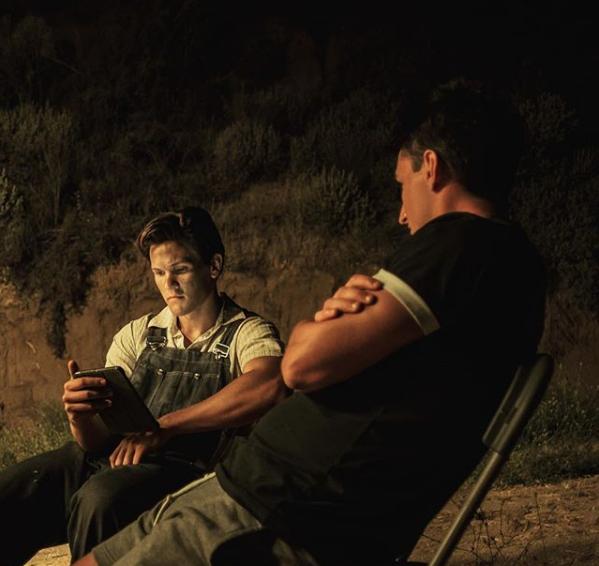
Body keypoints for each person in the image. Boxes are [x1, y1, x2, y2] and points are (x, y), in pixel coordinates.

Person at [76, 82, 546, 566]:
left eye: (401, 185)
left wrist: (321, 323)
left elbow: (299, 366)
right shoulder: (502, 267)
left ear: (432, 166)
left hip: (280, 511)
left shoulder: (459, 246)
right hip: (255, 491)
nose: (403, 214)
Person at [0, 207, 287, 565]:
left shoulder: (246, 332)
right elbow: (94, 442)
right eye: (159, 273)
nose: (169, 284)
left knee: (100, 499)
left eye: (180, 270)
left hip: (181, 471)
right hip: (110, 457)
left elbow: (269, 385)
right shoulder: (138, 333)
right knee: (14, 489)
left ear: (213, 266)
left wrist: (166, 427)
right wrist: (80, 415)